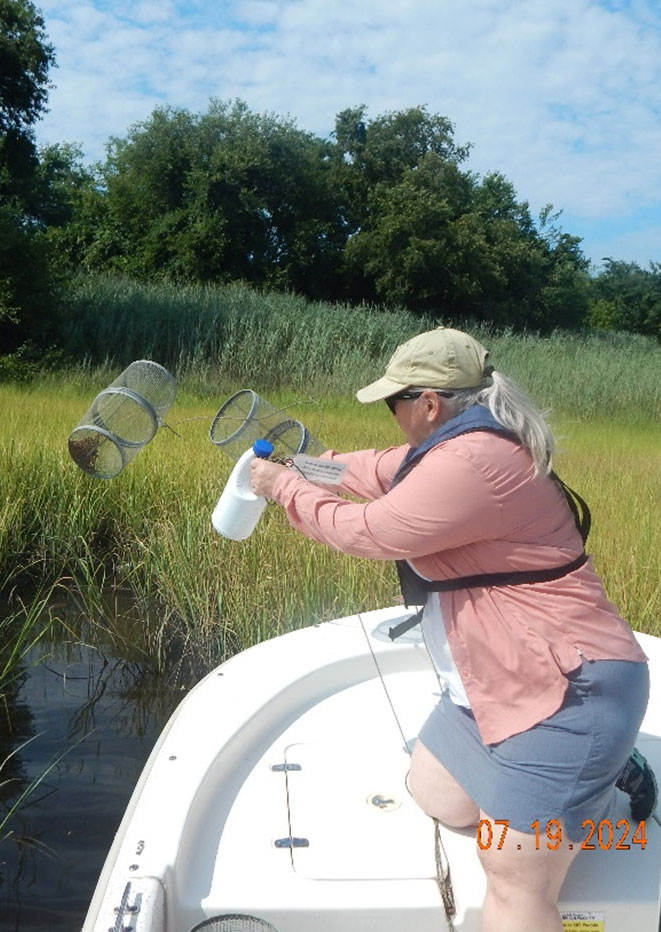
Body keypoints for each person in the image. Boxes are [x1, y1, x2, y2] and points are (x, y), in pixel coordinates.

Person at [250, 326, 651, 932]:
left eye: (393, 403)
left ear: (428, 404)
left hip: (568, 690)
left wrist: (284, 489)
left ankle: (592, 774)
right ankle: (580, 784)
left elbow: (370, 532)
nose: (393, 417)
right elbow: (369, 469)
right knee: (438, 796)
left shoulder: (473, 462)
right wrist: (305, 466)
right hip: (498, 682)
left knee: (511, 873)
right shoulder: (453, 447)